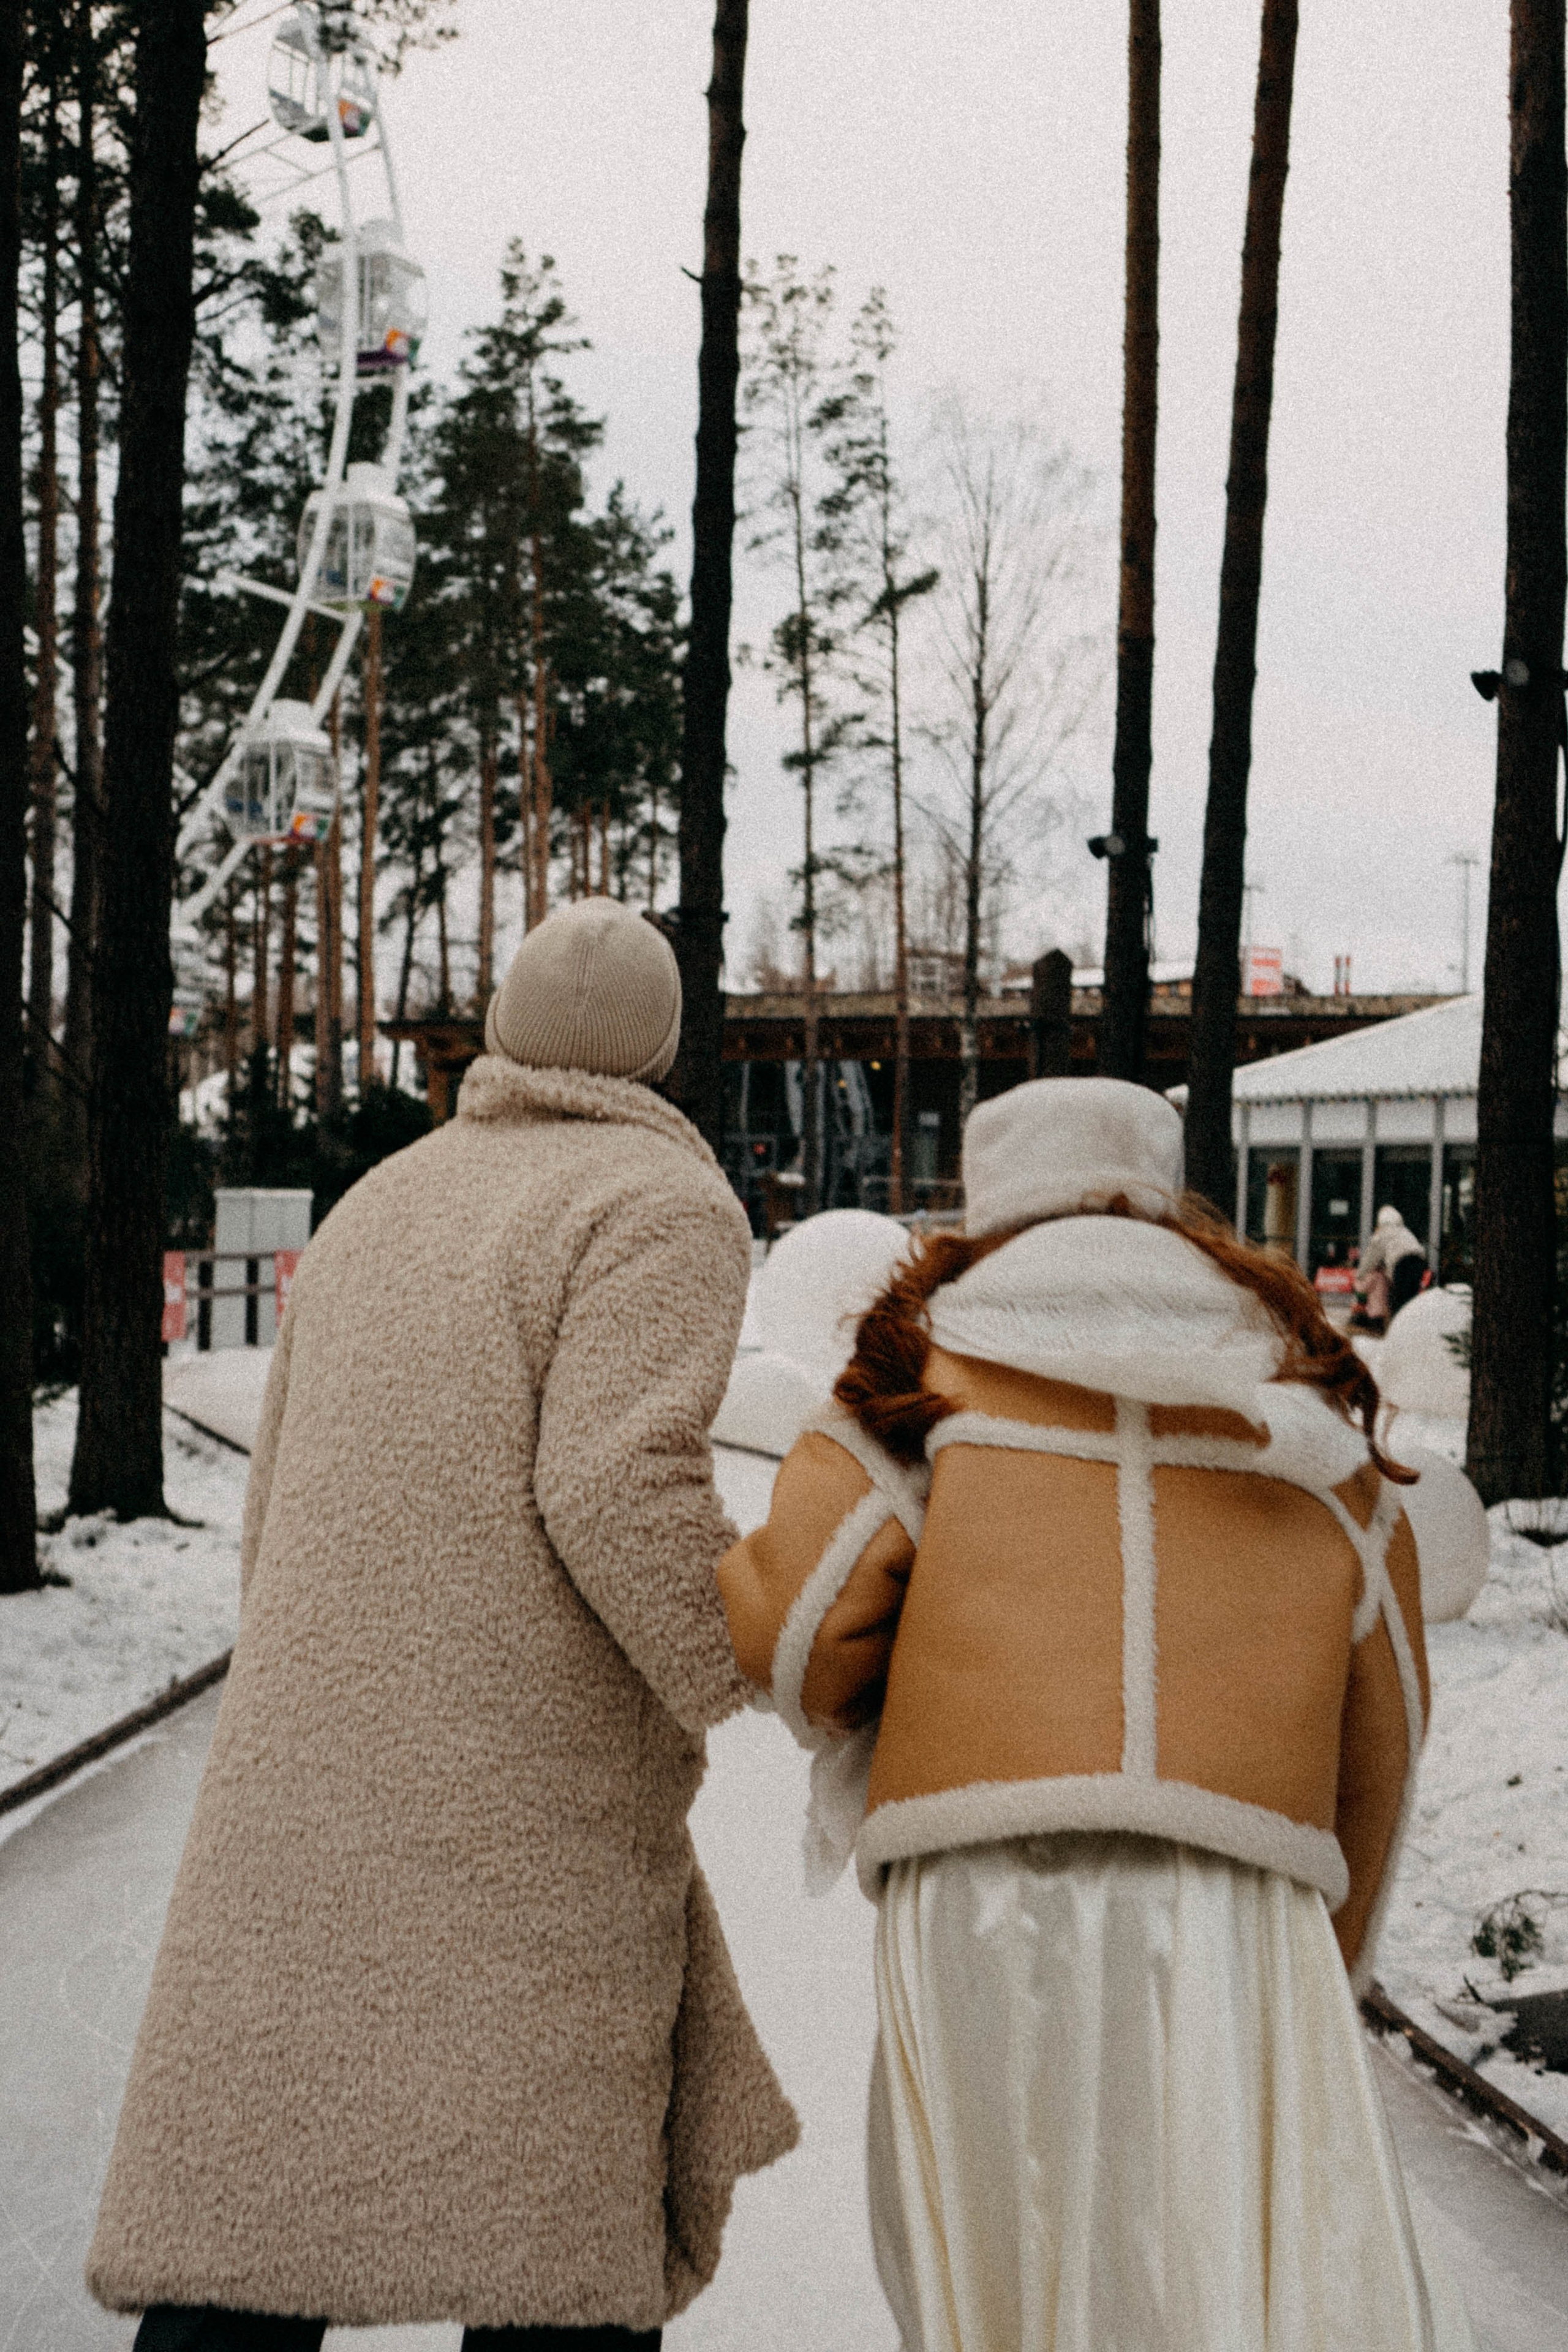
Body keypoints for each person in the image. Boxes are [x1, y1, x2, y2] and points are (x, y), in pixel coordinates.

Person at [88, 900, 797, 2352]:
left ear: (504, 1021)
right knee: (553, 2233)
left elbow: (279, 1487)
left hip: (307, 1775)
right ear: (662, 1049)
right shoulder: (657, 1203)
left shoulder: (380, 1200)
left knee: (256, 2204)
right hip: (523, 1802)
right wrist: (761, 1651)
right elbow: (617, 1482)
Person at [719, 1076, 1473, 2352]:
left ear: (987, 1198)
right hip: (1236, 1901)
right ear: (1164, 1197)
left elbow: (795, 1641)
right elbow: (1385, 1719)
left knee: (1002, 2258)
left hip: (977, 1889)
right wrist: (1317, 1954)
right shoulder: (1302, 1401)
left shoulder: (918, 1380)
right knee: (1215, 2269)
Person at [1353, 1202, 1429, 1331]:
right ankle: (1412, 1327)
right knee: (1411, 1297)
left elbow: (1370, 1258)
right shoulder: (1405, 1231)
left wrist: (1359, 1275)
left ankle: (1398, 1330)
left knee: (1400, 1299)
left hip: (1402, 1263)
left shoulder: (1382, 1234)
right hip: (1418, 1261)